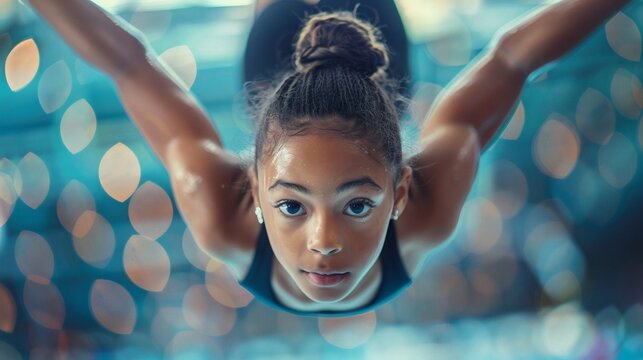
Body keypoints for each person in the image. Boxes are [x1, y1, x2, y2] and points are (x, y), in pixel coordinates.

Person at [26, 0, 632, 317]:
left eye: (357, 203)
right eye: (292, 205)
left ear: (394, 193)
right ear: (259, 194)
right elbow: (508, 61)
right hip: (379, 46)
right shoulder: (429, 209)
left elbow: (131, 64)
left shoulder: (218, 212)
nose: (324, 241)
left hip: (273, 55)